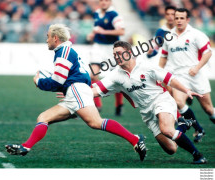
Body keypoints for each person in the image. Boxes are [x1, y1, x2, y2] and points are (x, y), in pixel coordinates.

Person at [5, 24, 147, 161]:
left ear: (55, 38)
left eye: (48, 36)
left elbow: (57, 81)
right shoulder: (65, 52)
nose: (46, 39)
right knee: (43, 117)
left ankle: (135, 139)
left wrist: (39, 82)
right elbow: (69, 79)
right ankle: (26, 147)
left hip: (77, 91)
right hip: (74, 92)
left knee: (95, 122)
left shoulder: (64, 53)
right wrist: (66, 88)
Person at [92, 40, 207, 164]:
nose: (117, 57)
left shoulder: (145, 66)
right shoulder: (115, 75)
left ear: (129, 53)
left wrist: (186, 90)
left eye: (119, 53)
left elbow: (169, 79)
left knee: (166, 129)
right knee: (171, 149)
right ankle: (183, 125)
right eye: (115, 55)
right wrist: (74, 92)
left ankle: (198, 155)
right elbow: (95, 90)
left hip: (161, 100)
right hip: (146, 112)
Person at [147, 6, 205, 140]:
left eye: (173, 14)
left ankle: (191, 126)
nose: (170, 17)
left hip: (180, 73)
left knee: (177, 101)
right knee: (174, 101)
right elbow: (156, 49)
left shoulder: (184, 32)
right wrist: (151, 52)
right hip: (167, 71)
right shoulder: (161, 32)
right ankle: (195, 127)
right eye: (168, 14)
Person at [160, 8, 215, 143]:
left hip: (196, 76)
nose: (178, 20)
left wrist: (197, 68)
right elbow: (163, 57)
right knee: (179, 102)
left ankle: (200, 127)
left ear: (188, 19)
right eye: (176, 17)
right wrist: (158, 73)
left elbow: (207, 53)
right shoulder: (169, 36)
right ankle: (198, 128)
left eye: (181, 18)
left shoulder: (196, 34)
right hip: (179, 76)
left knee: (208, 109)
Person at [87, 0, 125, 115]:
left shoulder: (114, 15)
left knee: (117, 78)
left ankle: (119, 103)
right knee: (93, 75)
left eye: (106, 0)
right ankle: (97, 105)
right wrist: (93, 34)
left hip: (111, 48)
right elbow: (97, 28)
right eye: (102, 0)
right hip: (98, 47)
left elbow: (121, 31)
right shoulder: (97, 13)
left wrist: (104, 31)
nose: (104, 2)